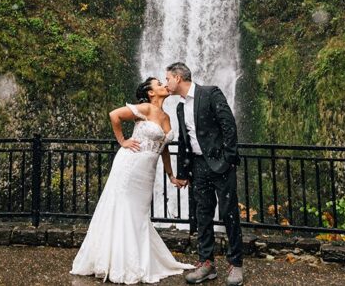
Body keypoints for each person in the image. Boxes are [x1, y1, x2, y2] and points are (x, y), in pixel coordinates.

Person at [70, 78, 194, 284]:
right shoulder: (145, 108)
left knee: (139, 213)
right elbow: (114, 115)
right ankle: (119, 262)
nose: (164, 85)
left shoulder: (167, 116)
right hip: (130, 165)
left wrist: (171, 175)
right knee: (124, 209)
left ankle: (136, 259)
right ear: (150, 93)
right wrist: (122, 141)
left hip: (148, 170)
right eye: (158, 83)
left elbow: (163, 148)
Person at [165, 62, 244, 286]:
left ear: (178, 78)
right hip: (199, 166)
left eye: (168, 79)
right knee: (203, 214)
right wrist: (183, 172)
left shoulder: (210, 93)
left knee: (229, 213)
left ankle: (236, 263)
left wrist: (229, 159)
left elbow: (228, 125)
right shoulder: (180, 107)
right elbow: (184, 140)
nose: (166, 83)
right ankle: (206, 263)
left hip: (221, 165)